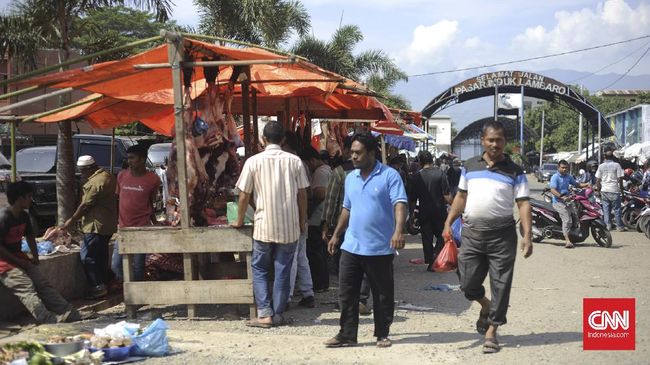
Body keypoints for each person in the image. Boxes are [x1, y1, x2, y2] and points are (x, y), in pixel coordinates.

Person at [443, 121, 533, 354]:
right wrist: (448, 221)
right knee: (466, 282)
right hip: (472, 234)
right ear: (483, 141)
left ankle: (492, 330)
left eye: (499, 139)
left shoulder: (515, 170)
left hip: (502, 235)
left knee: (501, 284)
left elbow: (523, 203)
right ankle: (485, 304)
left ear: (505, 142)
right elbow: (461, 197)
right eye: (491, 139)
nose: (495, 144)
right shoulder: (470, 166)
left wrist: (528, 234)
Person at [325, 132, 407, 348]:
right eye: (351, 152)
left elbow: (400, 204)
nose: (353, 157)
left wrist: (399, 231)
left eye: (358, 153)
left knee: (382, 294)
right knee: (347, 293)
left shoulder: (390, 176)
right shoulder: (350, 177)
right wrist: (336, 234)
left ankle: (382, 333)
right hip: (351, 246)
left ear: (371, 153)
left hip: (380, 247)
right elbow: (346, 208)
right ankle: (347, 334)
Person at [232, 121, 309, 328]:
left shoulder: (253, 162)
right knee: (283, 270)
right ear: (283, 140)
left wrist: (239, 220)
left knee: (260, 269)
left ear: (263, 139)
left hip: (263, 226)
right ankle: (277, 314)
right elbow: (302, 194)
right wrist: (302, 221)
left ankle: (265, 313)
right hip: (289, 227)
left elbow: (244, 195)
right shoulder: (295, 161)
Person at [0, 182, 82, 324]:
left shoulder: (24, 216)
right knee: (25, 285)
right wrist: (19, 262)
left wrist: (35, 257)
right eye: (29, 196)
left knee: (42, 283)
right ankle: (47, 319)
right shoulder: (4, 218)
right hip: (4, 262)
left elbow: (30, 237)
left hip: (19, 258)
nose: (31, 200)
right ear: (20, 198)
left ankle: (69, 312)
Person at [321, 136, 372, 316]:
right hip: (366, 226)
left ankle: (349, 300)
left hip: (343, 227)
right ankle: (361, 299)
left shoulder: (340, 172)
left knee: (344, 264)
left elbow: (332, 201)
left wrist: (327, 225)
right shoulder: (376, 172)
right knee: (365, 263)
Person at [62, 155, 118, 299]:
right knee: (101, 254)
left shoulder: (95, 183)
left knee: (88, 256)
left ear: (88, 169)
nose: (82, 174)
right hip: (107, 223)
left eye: (82, 171)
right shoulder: (108, 176)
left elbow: (85, 205)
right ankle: (108, 282)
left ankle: (98, 286)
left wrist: (72, 220)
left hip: (96, 225)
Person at [111, 145, 161, 283]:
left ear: (142, 159)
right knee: (116, 265)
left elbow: (150, 203)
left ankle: (138, 297)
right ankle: (130, 290)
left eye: (132, 158)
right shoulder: (121, 176)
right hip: (123, 228)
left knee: (138, 266)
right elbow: (117, 199)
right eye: (128, 158)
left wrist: (155, 222)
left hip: (141, 228)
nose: (129, 161)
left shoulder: (153, 180)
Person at [282, 131, 314, 308]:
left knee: (292, 258)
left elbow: (302, 193)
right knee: (301, 257)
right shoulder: (300, 163)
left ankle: (286, 297)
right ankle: (308, 294)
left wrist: (301, 220)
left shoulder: (293, 162)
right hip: (301, 216)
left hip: (294, 216)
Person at [409, 151, 452, 270]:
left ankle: (430, 260)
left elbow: (413, 199)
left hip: (423, 211)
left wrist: (412, 214)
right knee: (441, 235)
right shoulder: (440, 174)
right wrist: (454, 206)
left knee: (426, 237)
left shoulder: (416, 177)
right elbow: (446, 195)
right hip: (439, 211)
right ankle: (435, 255)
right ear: (432, 160)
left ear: (420, 162)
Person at [301, 146, 332, 293]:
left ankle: (319, 283)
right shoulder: (327, 169)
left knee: (315, 252)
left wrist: (307, 194)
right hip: (322, 215)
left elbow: (320, 193)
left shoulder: (320, 172)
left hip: (317, 216)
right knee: (319, 251)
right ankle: (322, 283)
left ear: (312, 160)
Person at [549, 160, 590, 249]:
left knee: (576, 216)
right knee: (567, 219)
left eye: (566, 168)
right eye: (562, 168)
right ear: (558, 168)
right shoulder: (555, 177)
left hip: (568, 200)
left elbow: (576, 184)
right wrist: (562, 197)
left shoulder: (568, 176)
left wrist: (587, 185)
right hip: (558, 202)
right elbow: (552, 190)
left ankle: (572, 234)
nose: (564, 169)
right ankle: (567, 241)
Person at [595, 150, 626, 232]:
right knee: (617, 209)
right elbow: (620, 179)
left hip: (604, 190)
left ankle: (607, 225)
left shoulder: (601, 166)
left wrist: (598, 191)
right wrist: (622, 191)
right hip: (614, 190)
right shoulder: (617, 165)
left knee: (606, 209)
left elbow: (598, 180)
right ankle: (619, 226)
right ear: (613, 157)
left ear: (605, 157)